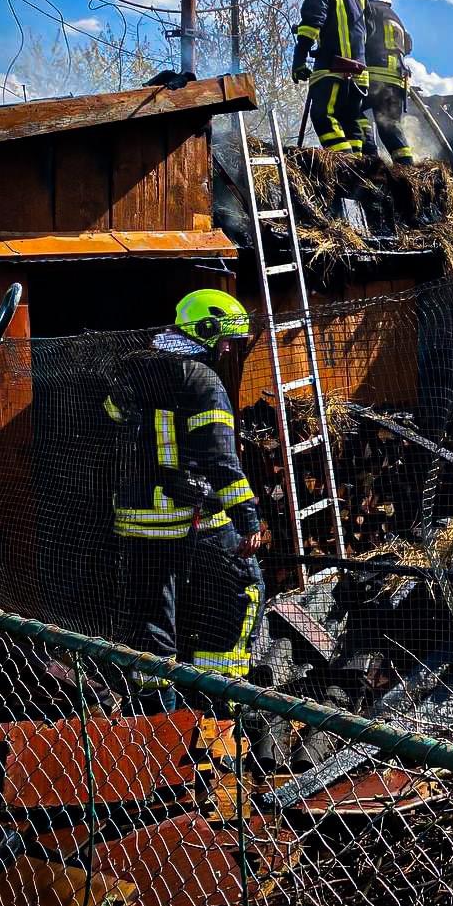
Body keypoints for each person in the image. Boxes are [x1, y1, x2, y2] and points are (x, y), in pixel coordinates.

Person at [104, 289, 264, 714]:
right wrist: (248, 519)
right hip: (189, 514)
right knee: (243, 589)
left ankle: (161, 724)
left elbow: (115, 418)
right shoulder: (202, 380)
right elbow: (220, 458)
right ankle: (221, 707)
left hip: (136, 518)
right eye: (226, 338)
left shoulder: (131, 368)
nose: (228, 348)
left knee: (152, 620)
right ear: (207, 329)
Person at [289, 0, 372, 155]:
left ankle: (346, 167)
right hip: (360, 73)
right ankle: (359, 172)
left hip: (333, 68)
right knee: (350, 122)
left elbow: (311, 24)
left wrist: (299, 60)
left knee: (323, 116)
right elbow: (368, 30)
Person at [352, 0, 414, 165]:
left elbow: (356, 35)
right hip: (398, 79)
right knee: (390, 126)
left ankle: (369, 155)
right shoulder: (393, 16)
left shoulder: (368, 10)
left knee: (349, 110)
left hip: (375, 77)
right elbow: (409, 45)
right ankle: (407, 167)